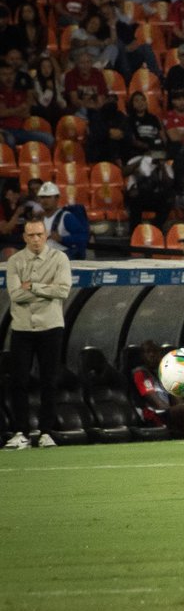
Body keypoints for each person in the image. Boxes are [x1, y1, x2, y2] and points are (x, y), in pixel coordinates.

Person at [3, 217, 72, 449]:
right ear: (24, 237)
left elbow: (62, 291)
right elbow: (15, 295)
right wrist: (46, 289)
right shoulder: (14, 260)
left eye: (39, 235)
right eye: (31, 235)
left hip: (50, 327)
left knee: (48, 381)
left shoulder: (59, 258)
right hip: (22, 328)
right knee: (19, 381)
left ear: (46, 235)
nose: (35, 240)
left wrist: (31, 286)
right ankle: (21, 431)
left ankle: (45, 432)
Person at [35, 181, 90, 259]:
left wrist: (62, 239)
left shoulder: (66, 217)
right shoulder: (39, 218)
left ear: (57, 198)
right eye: (42, 197)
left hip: (63, 259)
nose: (45, 201)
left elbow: (83, 237)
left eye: (48, 197)